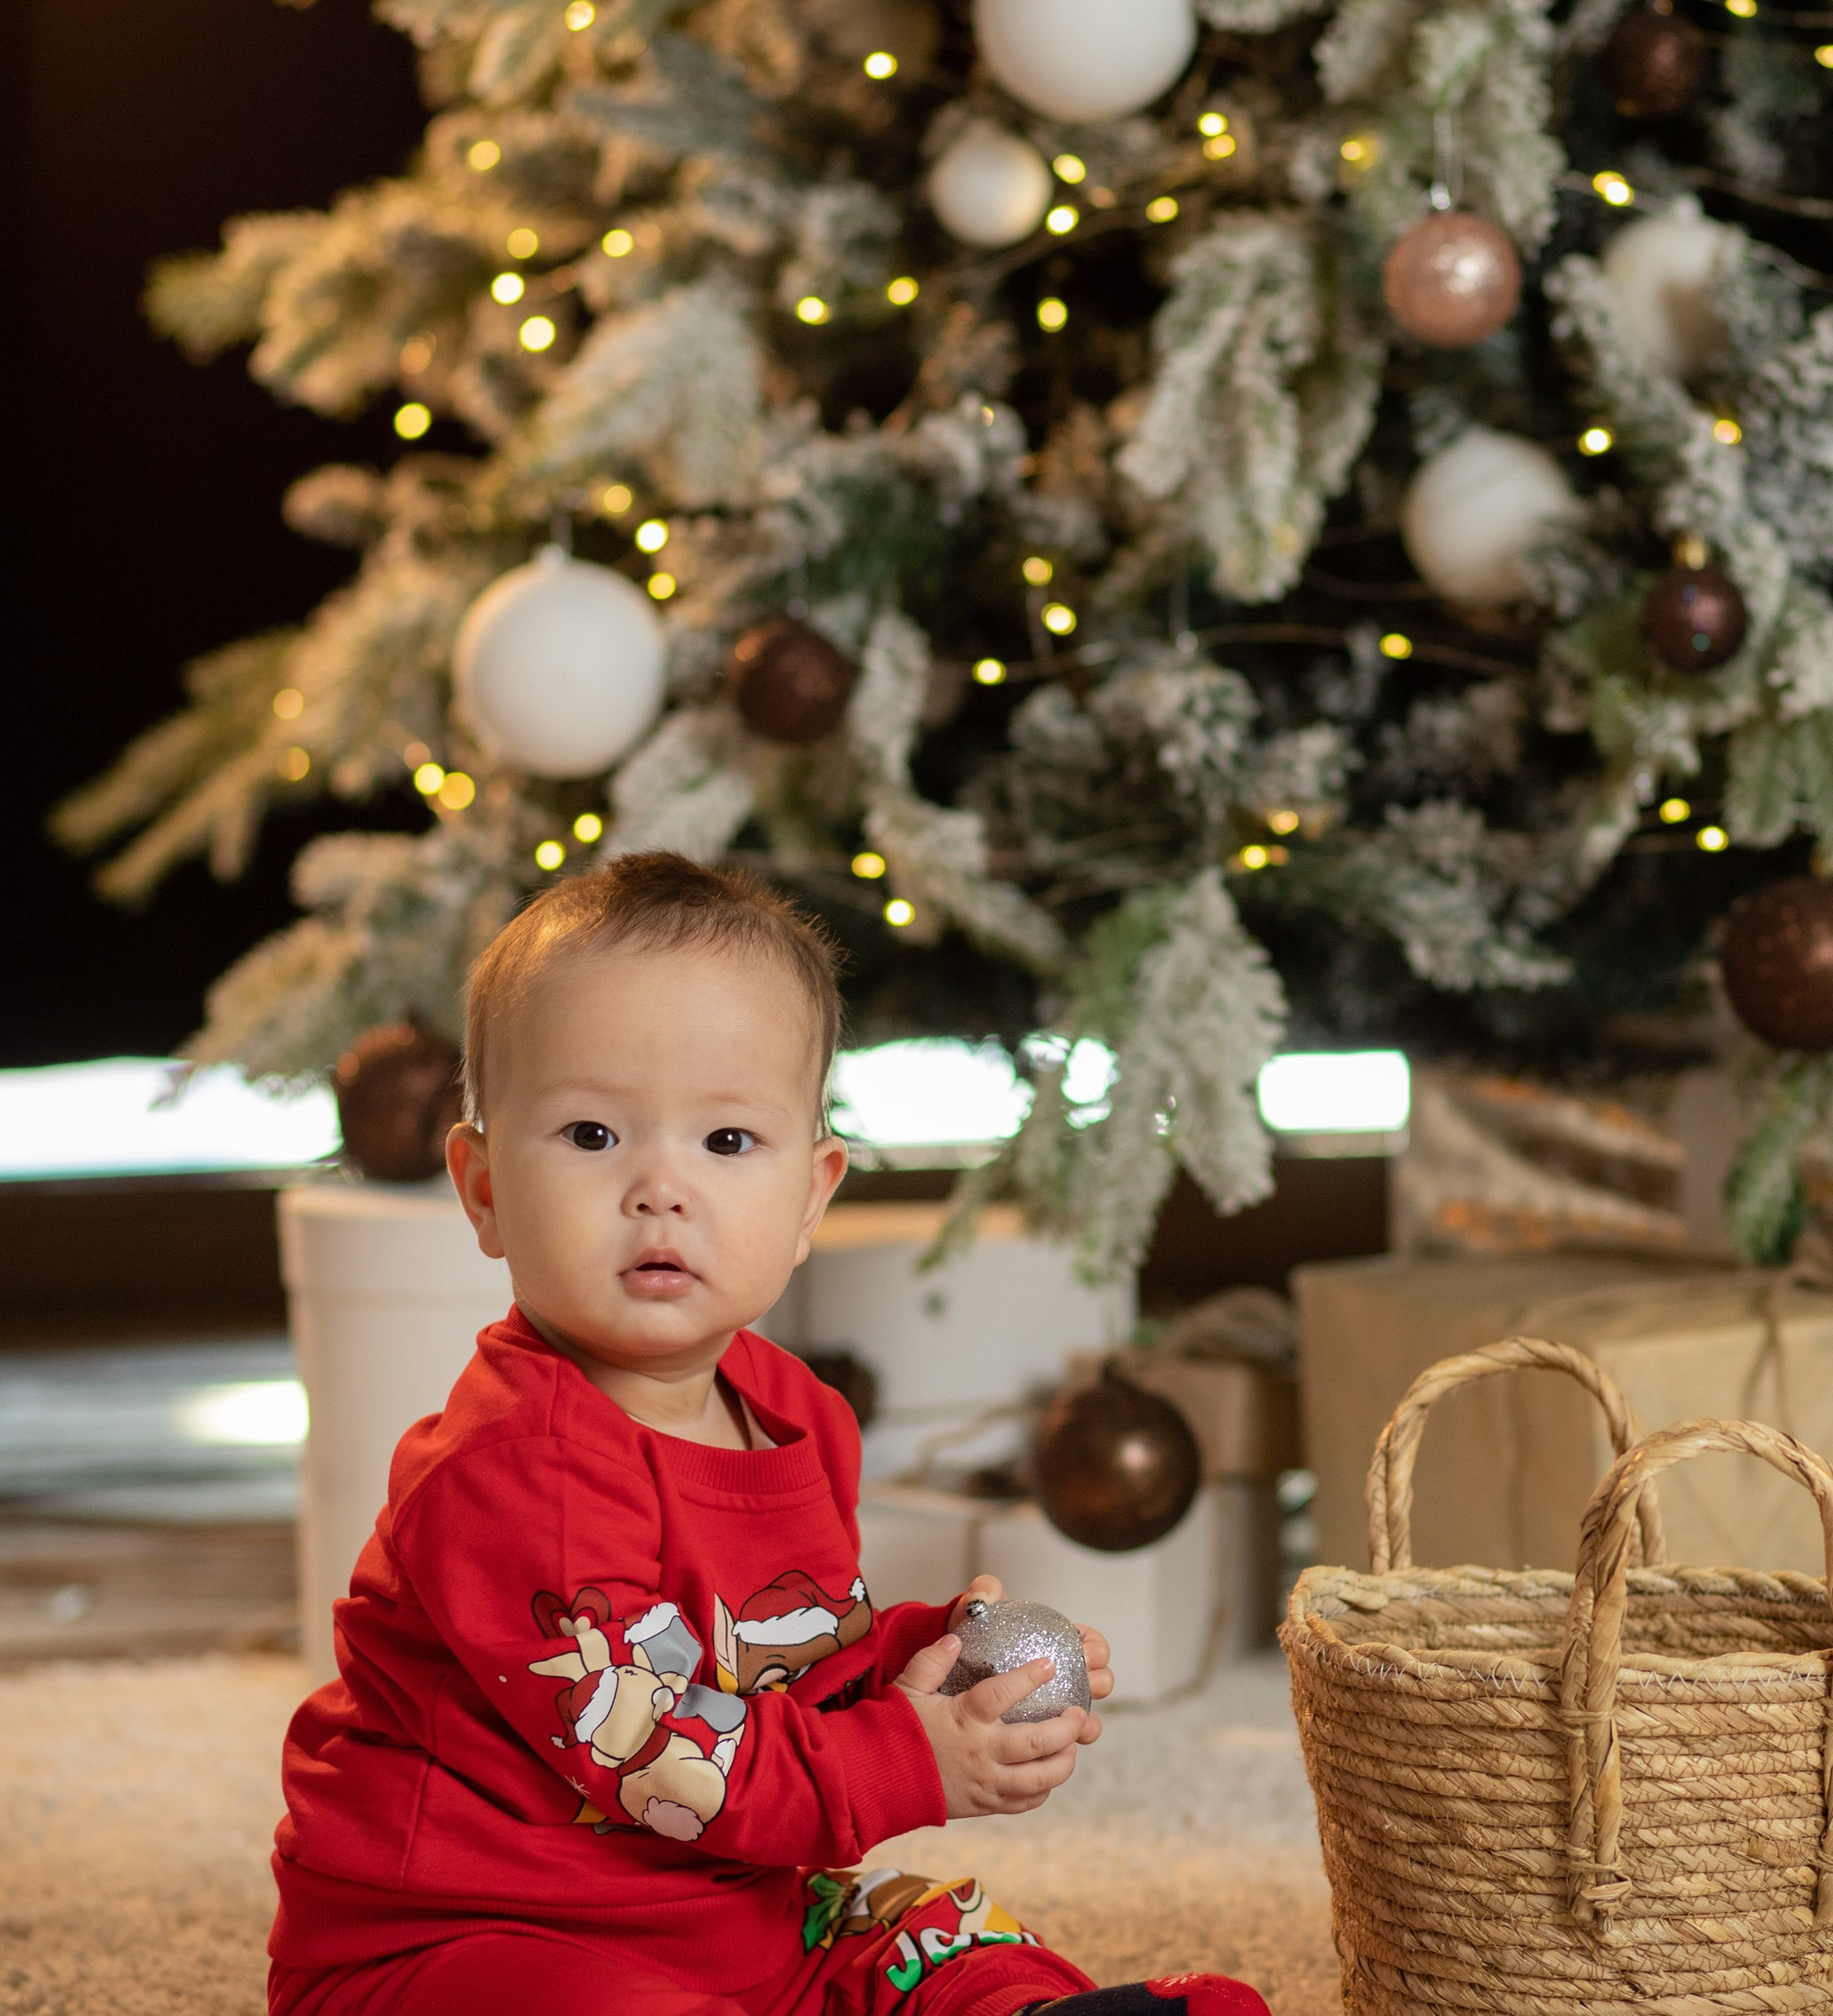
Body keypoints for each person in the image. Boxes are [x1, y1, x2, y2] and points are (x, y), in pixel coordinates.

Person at [266, 851, 1268, 2016]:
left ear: (810, 1195)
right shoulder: (507, 1472)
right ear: (483, 1190)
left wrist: (926, 1663)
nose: (658, 1188)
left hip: (732, 1904)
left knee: (943, 1929)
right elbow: (676, 1754)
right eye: (591, 1135)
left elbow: (788, 1667)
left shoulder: (796, 1414)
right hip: (474, 1936)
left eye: (727, 1143)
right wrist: (915, 1758)